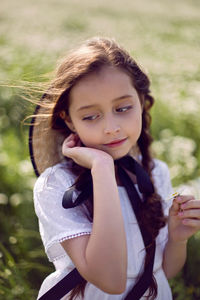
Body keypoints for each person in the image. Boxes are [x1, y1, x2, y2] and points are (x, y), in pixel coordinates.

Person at [29, 37, 200, 300]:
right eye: (90, 116)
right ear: (70, 121)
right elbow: (111, 280)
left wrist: (178, 239)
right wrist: (102, 167)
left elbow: (162, 271)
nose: (111, 127)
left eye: (122, 108)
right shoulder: (57, 185)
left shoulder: (156, 173)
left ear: (142, 101)